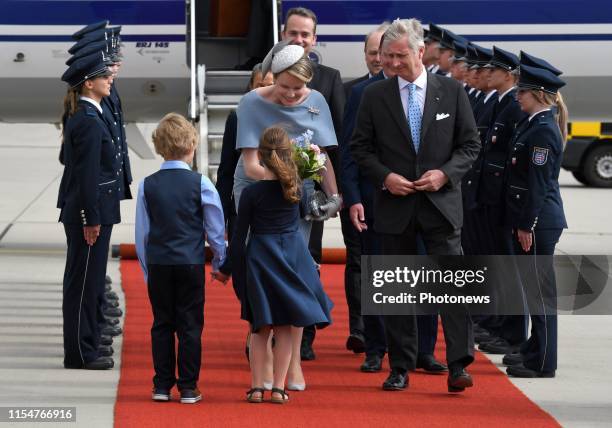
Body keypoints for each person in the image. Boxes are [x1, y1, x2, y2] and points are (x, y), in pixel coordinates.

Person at [350, 18, 480, 393]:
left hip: (441, 206)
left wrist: (445, 174)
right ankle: (400, 366)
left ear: (420, 52)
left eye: (399, 56)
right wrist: (385, 177)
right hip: (395, 206)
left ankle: (459, 364)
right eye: (387, 56)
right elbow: (361, 148)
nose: (390, 63)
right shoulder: (375, 96)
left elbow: (470, 145)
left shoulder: (452, 92)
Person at [232, 42, 340, 389]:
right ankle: (260, 344)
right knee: (263, 277)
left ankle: (292, 364)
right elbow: (251, 165)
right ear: (271, 78)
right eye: (286, 87)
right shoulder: (252, 102)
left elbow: (320, 155)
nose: (294, 95)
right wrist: (289, 175)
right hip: (257, 190)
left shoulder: (317, 100)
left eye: (300, 89)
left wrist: (334, 196)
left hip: (297, 195)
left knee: (296, 278)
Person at [215, 126, 333, 404]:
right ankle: (279, 388)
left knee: (260, 328)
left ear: (260, 157)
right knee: (285, 329)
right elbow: (310, 214)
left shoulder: (252, 194)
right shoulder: (297, 188)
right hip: (292, 258)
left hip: (261, 258)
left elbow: (239, 235)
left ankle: (257, 387)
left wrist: (226, 269)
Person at [135, 113, 226, 404]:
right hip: (189, 261)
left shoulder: (147, 185)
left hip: (160, 261)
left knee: (162, 323)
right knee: (189, 325)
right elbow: (215, 229)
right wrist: (220, 261)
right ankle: (188, 386)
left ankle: (161, 385)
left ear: (160, 147)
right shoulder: (201, 184)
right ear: (192, 146)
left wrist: (147, 269)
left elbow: (142, 234)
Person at [281, 8, 345, 360]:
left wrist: (334, 193)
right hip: (270, 192)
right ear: (283, 33)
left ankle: (304, 336)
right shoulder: (264, 73)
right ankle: (273, 327)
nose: (299, 39)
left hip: (310, 193)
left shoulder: (329, 79)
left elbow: (336, 143)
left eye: (306, 34)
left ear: (314, 39)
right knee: (273, 262)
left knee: (309, 261)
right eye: (294, 33)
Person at [502, 64, 568, 378]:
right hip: (534, 219)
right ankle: (534, 349)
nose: (517, 96)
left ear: (538, 94)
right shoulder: (535, 123)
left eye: (522, 91)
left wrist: (527, 224)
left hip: (540, 221)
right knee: (534, 290)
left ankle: (543, 361)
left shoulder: (542, 129)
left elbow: (538, 184)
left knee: (540, 294)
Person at [57, 51, 118, 370]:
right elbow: (87, 176)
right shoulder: (89, 121)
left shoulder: (85, 115)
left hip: (93, 211)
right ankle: (80, 353)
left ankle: (89, 344)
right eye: (104, 76)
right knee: (83, 285)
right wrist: (90, 219)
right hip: (89, 214)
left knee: (90, 282)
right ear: (89, 83)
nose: (110, 79)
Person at [339, 22, 389, 357]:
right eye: (371, 52)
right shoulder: (356, 92)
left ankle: (404, 343)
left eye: (381, 53)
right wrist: (350, 195)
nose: (376, 58)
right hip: (363, 197)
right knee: (361, 263)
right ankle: (362, 331)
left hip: (400, 197)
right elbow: (348, 149)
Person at [476, 47, 529, 355]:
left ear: (508, 75)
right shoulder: (499, 101)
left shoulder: (512, 105)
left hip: (500, 198)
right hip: (488, 195)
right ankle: (499, 324)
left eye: (493, 70)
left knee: (506, 266)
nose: (486, 74)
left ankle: (512, 331)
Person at [216, 64, 273, 242]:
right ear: (250, 88)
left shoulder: (289, 117)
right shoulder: (237, 118)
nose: (264, 91)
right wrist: (221, 217)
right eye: (259, 85)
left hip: (279, 211)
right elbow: (226, 171)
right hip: (242, 210)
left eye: (270, 85)